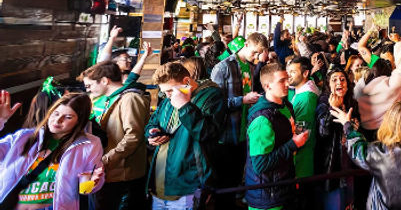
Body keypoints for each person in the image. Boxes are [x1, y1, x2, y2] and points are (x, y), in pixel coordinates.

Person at [0, 91, 104, 210]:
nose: (58, 120)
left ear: (79, 122)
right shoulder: (23, 137)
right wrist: (1, 121)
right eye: (56, 113)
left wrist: (91, 182)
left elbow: (85, 190)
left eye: (68, 117)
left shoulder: (89, 145)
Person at [146, 62, 225, 210]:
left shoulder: (212, 96)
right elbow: (153, 122)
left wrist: (184, 106)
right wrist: (152, 133)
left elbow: (207, 133)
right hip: (159, 180)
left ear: (186, 82)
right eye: (164, 92)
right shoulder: (168, 98)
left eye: (170, 90)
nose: (167, 96)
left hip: (188, 182)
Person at [81, 62, 150, 210]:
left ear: (105, 81)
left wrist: (105, 161)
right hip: (112, 171)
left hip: (125, 175)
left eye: (90, 85)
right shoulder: (111, 98)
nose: (89, 90)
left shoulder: (130, 98)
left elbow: (133, 137)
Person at [209, 32, 266, 207]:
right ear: (246, 44)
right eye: (255, 52)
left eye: (259, 54)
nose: (256, 57)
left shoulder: (248, 66)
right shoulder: (223, 67)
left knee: (234, 180)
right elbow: (214, 104)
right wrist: (242, 100)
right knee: (224, 184)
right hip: (225, 134)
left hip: (243, 132)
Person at [245, 63, 310, 210]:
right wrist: (293, 144)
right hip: (267, 197)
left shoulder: (286, 105)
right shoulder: (262, 120)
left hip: (283, 188)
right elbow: (260, 165)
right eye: (282, 81)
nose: (288, 83)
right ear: (267, 86)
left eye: (287, 78)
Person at [315, 66, 360, 210]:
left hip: (349, 159)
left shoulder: (351, 101)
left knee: (349, 202)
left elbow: (355, 126)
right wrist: (331, 109)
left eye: (342, 79)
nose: (339, 82)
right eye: (334, 80)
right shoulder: (323, 102)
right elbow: (323, 131)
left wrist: (356, 126)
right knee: (335, 202)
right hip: (333, 162)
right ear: (328, 85)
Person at [354, 40, 401, 138]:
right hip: (388, 131)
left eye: (389, 60)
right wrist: (399, 42)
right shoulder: (391, 84)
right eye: (385, 61)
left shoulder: (363, 84)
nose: (387, 63)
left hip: (368, 131)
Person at [287, 57, 321, 179]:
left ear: (305, 73)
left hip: (302, 159)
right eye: (288, 71)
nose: (288, 75)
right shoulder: (303, 89)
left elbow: (302, 131)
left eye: (293, 72)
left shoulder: (306, 98)